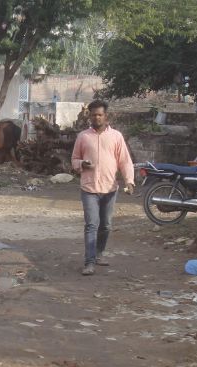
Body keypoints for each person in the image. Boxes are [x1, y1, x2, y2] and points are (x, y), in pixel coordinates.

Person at [71, 100, 134, 276]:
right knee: (91, 224)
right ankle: (89, 262)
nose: (96, 118)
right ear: (89, 116)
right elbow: (74, 160)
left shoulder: (116, 137)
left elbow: (124, 161)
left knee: (105, 225)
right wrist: (81, 163)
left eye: (100, 114)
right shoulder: (83, 136)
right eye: (93, 115)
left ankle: (99, 254)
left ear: (106, 116)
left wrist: (129, 180)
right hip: (89, 188)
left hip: (110, 188)